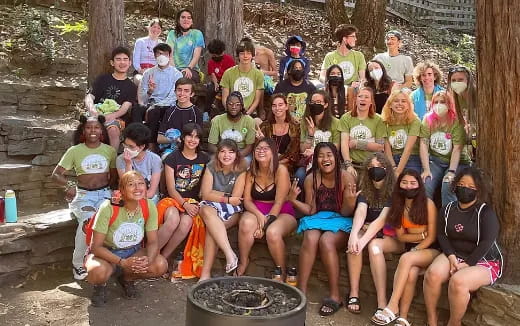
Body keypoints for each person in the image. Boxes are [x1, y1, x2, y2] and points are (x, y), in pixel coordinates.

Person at [423, 167, 502, 326]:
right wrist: (451, 256)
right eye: (462, 184)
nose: (465, 189)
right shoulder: (447, 210)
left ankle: (454, 323)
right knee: (433, 274)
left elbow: (487, 242)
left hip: (484, 260)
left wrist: (468, 263)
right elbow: (442, 235)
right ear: (455, 185)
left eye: (471, 187)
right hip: (455, 254)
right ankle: (432, 319)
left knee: (458, 282)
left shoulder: (485, 212)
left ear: (478, 191)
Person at [287, 142, 357, 316]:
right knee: (310, 237)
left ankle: (335, 295)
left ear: (336, 157)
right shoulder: (312, 178)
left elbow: (346, 211)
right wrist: (293, 200)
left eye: (329, 155)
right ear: (316, 159)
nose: (325, 159)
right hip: (319, 217)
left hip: (342, 218)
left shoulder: (346, 177)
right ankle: (301, 291)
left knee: (326, 241)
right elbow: (312, 210)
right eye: (320, 155)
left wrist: (349, 201)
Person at [85, 171, 168, 306]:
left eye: (141, 183)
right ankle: (100, 286)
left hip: (133, 250)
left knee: (160, 265)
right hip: (107, 252)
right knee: (98, 272)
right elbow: (96, 247)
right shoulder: (108, 207)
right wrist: (122, 262)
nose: (137, 188)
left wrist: (149, 259)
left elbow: (153, 241)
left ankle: (127, 278)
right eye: (131, 184)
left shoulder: (149, 206)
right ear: (122, 190)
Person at [51, 115, 117, 280]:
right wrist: (68, 186)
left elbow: (114, 176)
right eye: (89, 127)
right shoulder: (74, 151)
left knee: (110, 221)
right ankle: (78, 263)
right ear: (83, 130)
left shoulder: (109, 151)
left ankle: (105, 260)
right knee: (88, 222)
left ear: (101, 130)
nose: (92, 131)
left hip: (104, 194)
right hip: (84, 196)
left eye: (96, 127)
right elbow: (56, 175)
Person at [371, 169, 439, 326]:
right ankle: (403, 318)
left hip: (431, 249)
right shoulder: (399, 205)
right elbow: (401, 237)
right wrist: (421, 234)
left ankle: (392, 304)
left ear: (419, 185)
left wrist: (416, 248)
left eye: (413, 183)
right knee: (411, 272)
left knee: (407, 258)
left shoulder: (428, 204)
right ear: (399, 184)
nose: (409, 186)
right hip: (412, 248)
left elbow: (432, 237)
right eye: (405, 182)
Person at [346, 153, 399, 315]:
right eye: (370, 168)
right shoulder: (366, 189)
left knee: (373, 247)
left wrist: (361, 242)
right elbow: (361, 212)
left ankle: (381, 302)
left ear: (386, 169)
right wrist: (354, 235)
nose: (374, 171)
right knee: (354, 241)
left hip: (391, 236)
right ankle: (354, 293)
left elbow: (381, 220)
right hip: (369, 231)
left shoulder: (393, 190)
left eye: (378, 167)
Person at [236, 138, 296, 278]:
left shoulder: (281, 170)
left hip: (281, 211)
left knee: (272, 233)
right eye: (258, 148)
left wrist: (263, 227)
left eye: (265, 148)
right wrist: (259, 216)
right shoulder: (251, 171)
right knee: (246, 224)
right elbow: (248, 200)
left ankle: (280, 272)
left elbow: (279, 202)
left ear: (273, 152)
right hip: (256, 207)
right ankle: (243, 262)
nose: (261, 151)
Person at [158, 123, 210, 260]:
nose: (193, 140)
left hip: (193, 202)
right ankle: (151, 254)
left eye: (196, 137)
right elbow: (171, 188)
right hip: (173, 200)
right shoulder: (172, 158)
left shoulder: (205, 159)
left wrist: (191, 205)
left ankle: (163, 257)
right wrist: (184, 204)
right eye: (189, 136)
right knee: (173, 220)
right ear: (183, 137)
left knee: (186, 223)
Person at [198, 139, 247, 280]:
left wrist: (217, 195)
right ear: (218, 153)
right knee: (206, 209)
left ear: (236, 154)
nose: (227, 155)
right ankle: (229, 254)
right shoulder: (211, 166)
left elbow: (236, 197)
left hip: (232, 210)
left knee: (212, 230)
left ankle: (205, 275)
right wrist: (227, 197)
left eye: (231, 152)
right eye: (223, 151)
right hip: (211, 207)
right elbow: (205, 194)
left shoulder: (242, 169)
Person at [420, 91, 471, 207]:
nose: (439, 105)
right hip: (436, 161)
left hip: (458, 163)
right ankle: (426, 218)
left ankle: (448, 217)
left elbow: (457, 149)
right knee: (425, 183)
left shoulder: (457, 121)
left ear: (449, 104)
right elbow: (423, 144)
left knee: (448, 184)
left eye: (442, 102)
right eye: (436, 102)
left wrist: (451, 172)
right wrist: (426, 169)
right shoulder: (427, 120)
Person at [85, 46, 137, 149]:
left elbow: (124, 108)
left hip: (116, 118)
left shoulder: (131, 86)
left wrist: (110, 116)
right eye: (118, 59)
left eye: (125, 59)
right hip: (96, 113)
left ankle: (112, 162)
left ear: (130, 63)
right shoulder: (102, 79)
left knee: (113, 130)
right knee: (90, 127)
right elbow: (89, 97)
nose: (122, 62)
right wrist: (93, 111)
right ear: (112, 63)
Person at [295, 90, 341, 186]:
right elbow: (302, 149)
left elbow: (336, 148)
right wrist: (310, 135)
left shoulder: (335, 122)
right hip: (309, 161)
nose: (315, 104)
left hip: (328, 160)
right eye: (313, 102)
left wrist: (316, 152)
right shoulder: (305, 121)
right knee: (299, 176)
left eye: (318, 102)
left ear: (326, 105)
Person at [339, 87, 387, 177]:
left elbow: (380, 147)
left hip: (371, 165)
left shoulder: (378, 120)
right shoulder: (346, 118)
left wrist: (357, 143)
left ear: (371, 102)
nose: (363, 99)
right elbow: (344, 144)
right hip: (352, 164)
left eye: (366, 97)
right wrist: (348, 165)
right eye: (360, 96)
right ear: (355, 100)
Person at [136, 43, 183, 130]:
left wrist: (156, 106)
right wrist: (150, 91)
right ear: (155, 56)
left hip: (167, 106)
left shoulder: (176, 74)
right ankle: (137, 138)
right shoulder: (148, 73)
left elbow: (173, 96)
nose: (162, 57)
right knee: (136, 109)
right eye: (159, 54)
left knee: (154, 111)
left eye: (165, 54)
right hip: (150, 103)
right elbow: (143, 99)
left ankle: (151, 142)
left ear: (169, 56)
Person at [156, 78, 203, 158]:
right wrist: (174, 139)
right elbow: (159, 138)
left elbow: (198, 138)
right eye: (179, 90)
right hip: (170, 151)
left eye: (186, 91)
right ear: (175, 92)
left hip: (189, 150)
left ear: (192, 94)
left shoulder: (196, 112)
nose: (182, 93)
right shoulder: (169, 111)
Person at [116, 123, 162, 203]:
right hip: (130, 198)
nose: (126, 149)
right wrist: (128, 164)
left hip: (149, 198)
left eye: (131, 146)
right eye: (125, 145)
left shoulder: (155, 159)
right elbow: (126, 187)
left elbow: (151, 192)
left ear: (142, 147)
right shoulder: (120, 159)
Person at [220, 37, 264, 118]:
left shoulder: (258, 74)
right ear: (238, 55)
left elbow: (257, 99)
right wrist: (231, 112)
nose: (245, 56)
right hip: (231, 112)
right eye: (242, 53)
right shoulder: (228, 73)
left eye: (248, 53)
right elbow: (224, 98)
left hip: (249, 114)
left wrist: (247, 114)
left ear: (252, 55)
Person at [256, 93, 301, 173]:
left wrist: (276, 164)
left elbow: (294, 154)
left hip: (287, 165)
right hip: (267, 162)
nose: (277, 108)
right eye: (274, 105)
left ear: (286, 107)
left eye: (280, 105)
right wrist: (262, 141)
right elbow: (258, 151)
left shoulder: (295, 127)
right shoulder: (264, 126)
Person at [381, 89, 422, 175]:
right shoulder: (384, 122)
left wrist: (398, 171)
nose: (400, 104)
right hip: (391, 158)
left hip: (411, 158)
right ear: (390, 105)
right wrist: (393, 167)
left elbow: (408, 149)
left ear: (408, 105)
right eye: (396, 101)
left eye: (403, 101)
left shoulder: (415, 121)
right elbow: (387, 148)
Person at [207, 91, 256, 160]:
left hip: (241, 153)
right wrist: (225, 154)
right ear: (226, 105)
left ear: (241, 106)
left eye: (237, 104)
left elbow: (249, 147)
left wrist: (235, 156)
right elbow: (211, 145)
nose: (234, 107)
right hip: (222, 151)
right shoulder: (217, 120)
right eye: (230, 104)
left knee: (246, 163)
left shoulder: (249, 121)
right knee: (212, 162)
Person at [166, 8, 204, 83]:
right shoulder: (172, 34)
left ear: (192, 21)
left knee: (185, 78)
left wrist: (188, 68)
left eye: (189, 18)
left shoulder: (197, 34)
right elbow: (169, 55)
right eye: (183, 17)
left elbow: (196, 56)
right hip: (174, 68)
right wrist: (175, 71)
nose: (186, 20)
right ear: (178, 20)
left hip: (191, 69)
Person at [447, 66, 476, 159]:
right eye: (453, 80)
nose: (457, 83)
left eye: (460, 80)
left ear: (468, 80)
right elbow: (461, 119)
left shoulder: (477, 94)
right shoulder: (457, 97)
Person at [206, 39, 235, 117]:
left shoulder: (229, 60)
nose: (215, 57)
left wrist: (224, 85)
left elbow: (232, 74)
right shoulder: (211, 62)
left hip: (228, 82)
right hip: (217, 81)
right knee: (210, 90)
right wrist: (215, 83)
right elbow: (212, 74)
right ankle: (207, 111)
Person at [132, 18, 163, 88]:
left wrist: (153, 72)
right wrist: (140, 70)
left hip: (155, 72)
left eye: (159, 28)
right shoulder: (140, 42)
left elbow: (160, 62)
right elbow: (136, 59)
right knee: (141, 81)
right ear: (149, 28)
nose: (156, 30)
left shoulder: (161, 44)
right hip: (140, 71)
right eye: (154, 27)